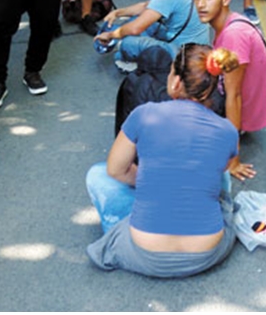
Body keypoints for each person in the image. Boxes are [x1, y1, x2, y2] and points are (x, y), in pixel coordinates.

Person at [84, 45, 240, 278]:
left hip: (146, 253)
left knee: (98, 175)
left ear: (176, 82)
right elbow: (223, 170)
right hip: (206, 253)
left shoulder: (144, 114)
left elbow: (116, 170)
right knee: (221, 179)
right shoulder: (228, 130)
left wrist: (153, 180)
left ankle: (120, 224)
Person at [194, 0, 266, 178]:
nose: (201, 4)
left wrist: (233, 160)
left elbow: (233, 96)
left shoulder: (233, 35)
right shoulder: (230, 21)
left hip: (239, 110)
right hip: (234, 97)